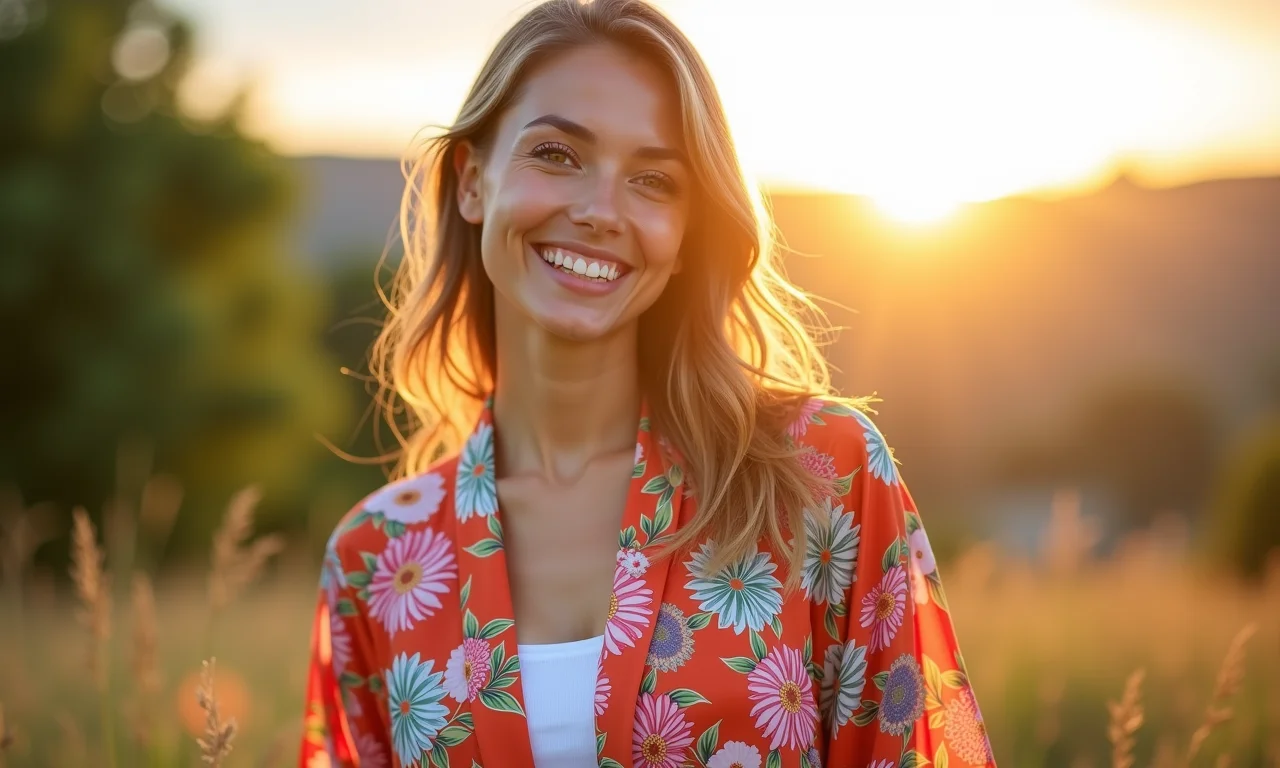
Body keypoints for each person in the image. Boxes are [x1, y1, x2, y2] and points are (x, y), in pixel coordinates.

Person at [300, 1, 997, 766]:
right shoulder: (378, 559)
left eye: (654, 180)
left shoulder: (821, 475)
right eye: (557, 154)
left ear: (687, 232)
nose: (601, 212)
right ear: (472, 181)